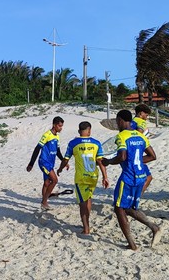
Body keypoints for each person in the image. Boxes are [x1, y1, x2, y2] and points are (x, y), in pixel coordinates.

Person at [102, 110, 161, 250]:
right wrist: (137, 162)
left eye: (117, 121)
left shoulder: (121, 136)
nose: (117, 124)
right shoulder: (140, 136)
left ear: (121, 120)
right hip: (141, 176)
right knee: (128, 207)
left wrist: (109, 162)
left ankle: (132, 244)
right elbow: (153, 156)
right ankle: (154, 227)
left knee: (118, 207)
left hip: (128, 177)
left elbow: (122, 157)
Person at [57, 121, 109, 234]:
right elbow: (100, 161)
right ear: (89, 130)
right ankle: (87, 222)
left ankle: (86, 228)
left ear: (79, 131)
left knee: (82, 203)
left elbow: (66, 159)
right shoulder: (96, 143)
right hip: (94, 176)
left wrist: (60, 169)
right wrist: (105, 177)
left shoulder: (73, 143)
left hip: (81, 178)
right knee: (88, 198)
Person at [26, 116, 68, 211]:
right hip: (44, 162)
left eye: (62, 126)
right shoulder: (47, 135)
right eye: (59, 126)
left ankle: (44, 202)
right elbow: (37, 148)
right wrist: (31, 163)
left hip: (50, 163)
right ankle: (44, 201)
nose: (61, 128)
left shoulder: (57, 137)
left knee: (46, 183)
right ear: (54, 125)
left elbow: (58, 152)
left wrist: (64, 161)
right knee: (55, 180)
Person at [131, 104, 153, 198]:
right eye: (146, 115)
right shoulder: (141, 121)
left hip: (130, 150)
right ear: (141, 113)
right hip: (137, 152)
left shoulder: (132, 121)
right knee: (148, 177)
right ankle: (137, 197)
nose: (146, 118)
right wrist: (145, 137)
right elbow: (138, 134)